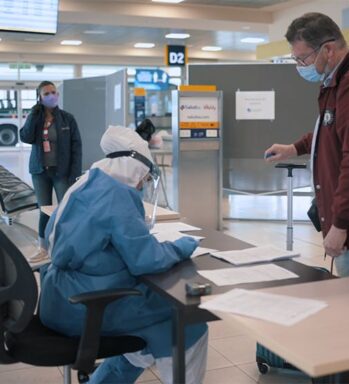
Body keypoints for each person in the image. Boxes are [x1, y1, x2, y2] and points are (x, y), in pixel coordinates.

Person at [264, 12, 349, 384]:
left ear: (328, 49)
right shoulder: (334, 83)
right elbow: (328, 130)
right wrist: (295, 147)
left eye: (303, 58)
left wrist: (339, 223)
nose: (300, 66)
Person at [39, 126, 208, 384]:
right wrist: (182, 246)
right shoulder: (117, 194)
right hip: (87, 306)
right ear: (133, 168)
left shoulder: (85, 182)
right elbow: (147, 261)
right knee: (188, 321)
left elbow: (57, 237)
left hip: (57, 299)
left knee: (144, 335)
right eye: (144, 177)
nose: (142, 184)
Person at [19, 80, 82, 266]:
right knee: (44, 210)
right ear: (40, 97)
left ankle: (65, 246)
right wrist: (33, 114)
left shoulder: (67, 119)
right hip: (40, 171)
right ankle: (43, 249)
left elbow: (76, 146)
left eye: (53, 92)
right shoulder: (36, 117)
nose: (51, 96)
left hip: (62, 172)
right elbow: (26, 137)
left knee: (65, 210)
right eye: (46, 94)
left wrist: (74, 174)